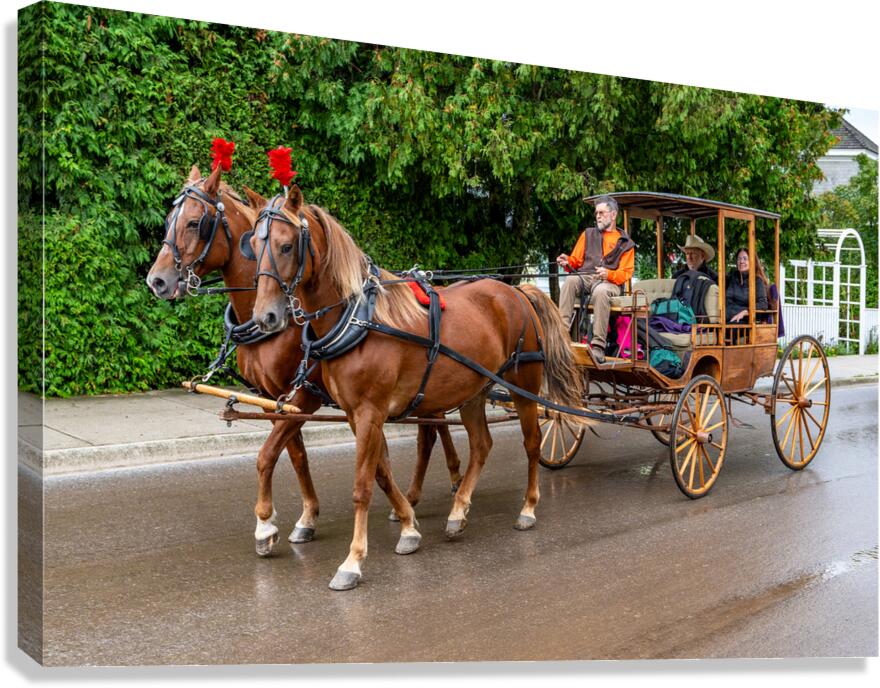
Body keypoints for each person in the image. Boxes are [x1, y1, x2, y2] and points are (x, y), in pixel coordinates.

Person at [557, 196, 635, 363]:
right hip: (586, 276)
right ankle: (562, 334)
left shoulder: (626, 243)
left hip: (610, 283)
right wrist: (567, 261)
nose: (598, 216)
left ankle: (598, 346)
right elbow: (576, 261)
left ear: (613, 215)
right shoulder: (588, 234)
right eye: (596, 213)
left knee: (601, 291)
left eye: (602, 212)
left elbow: (626, 273)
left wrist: (608, 274)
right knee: (570, 280)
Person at [726, 247, 768, 323]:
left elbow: (763, 304)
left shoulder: (757, 280)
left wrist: (745, 312)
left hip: (747, 320)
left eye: (745, 259)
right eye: (739, 259)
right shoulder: (733, 278)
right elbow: (716, 277)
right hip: (728, 317)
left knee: (730, 329)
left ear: (752, 261)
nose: (741, 261)